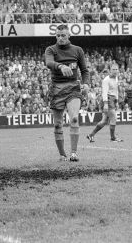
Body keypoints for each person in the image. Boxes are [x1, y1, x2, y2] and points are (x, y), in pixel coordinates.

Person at [45, 24, 89, 162]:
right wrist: (60, 66)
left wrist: (86, 83)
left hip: (73, 88)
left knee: (74, 118)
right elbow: (49, 63)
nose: (60, 38)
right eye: (58, 35)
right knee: (58, 124)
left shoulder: (78, 50)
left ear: (69, 35)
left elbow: (84, 70)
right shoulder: (51, 49)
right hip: (56, 88)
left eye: (63, 35)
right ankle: (62, 154)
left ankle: (74, 153)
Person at [87, 64, 124, 143]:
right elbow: (104, 93)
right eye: (113, 69)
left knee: (104, 121)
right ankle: (113, 138)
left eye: (116, 69)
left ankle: (91, 135)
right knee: (113, 118)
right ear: (110, 70)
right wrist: (106, 104)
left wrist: (116, 101)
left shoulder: (116, 78)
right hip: (108, 99)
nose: (115, 71)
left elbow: (116, 91)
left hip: (113, 99)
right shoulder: (106, 80)